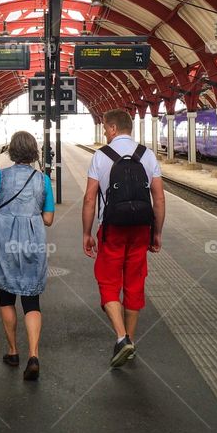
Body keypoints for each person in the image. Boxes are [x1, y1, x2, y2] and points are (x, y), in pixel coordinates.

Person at [82, 109, 165, 368]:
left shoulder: (100, 156)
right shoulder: (147, 155)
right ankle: (131, 339)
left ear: (114, 128)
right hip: (141, 227)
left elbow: (89, 198)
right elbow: (159, 199)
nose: (105, 132)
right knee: (134, 281)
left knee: (108, 281)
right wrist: (157, 232)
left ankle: (121, 338)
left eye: (106, 128)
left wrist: (86, 232)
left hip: (112, 228)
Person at [0, 131, 54, 381]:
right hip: (32, 241)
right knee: (31, 300)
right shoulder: (42, 180)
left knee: (6, 297)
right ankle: (34, 355)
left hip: (3, 242)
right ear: (34, 152)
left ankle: (13, 352)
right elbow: (49, 218)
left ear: (11, 150)